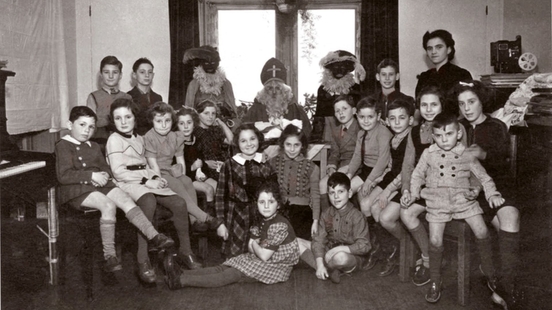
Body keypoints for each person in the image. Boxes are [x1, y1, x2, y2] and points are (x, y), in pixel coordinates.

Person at [55, 106, 174, 273]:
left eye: (90, 127)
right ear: (70, 124)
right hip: (77, 189)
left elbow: (106, 169)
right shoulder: (63, 145)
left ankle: (154, 236)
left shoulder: (94, 146)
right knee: (108, 205)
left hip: (100, 184)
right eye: (81, 125)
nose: (86, 130)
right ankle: (110, 255)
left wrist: (104, 174)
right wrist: (91, 176)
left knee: (125, 199)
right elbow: (63, 175)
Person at [406, 111, 504, 304]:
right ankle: (435, 280)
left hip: (463, 200)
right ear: (433, 137)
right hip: (437, 202)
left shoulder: (467, 154)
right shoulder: (428, 154)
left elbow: (483, 177)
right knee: (435, 240)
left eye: (449, 134)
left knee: (482, 231)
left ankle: (489, 270)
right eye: (439, 136)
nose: (444, 140)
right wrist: (414, 191)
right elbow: (416, 175)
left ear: (458, 134)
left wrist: (492, 193)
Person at [106, 98, 202, 284]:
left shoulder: (139, 139)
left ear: (135, 118)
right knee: (148, 200)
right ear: (113, 121)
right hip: (127, 183)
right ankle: (142, 260)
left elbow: (146, 165)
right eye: (118, 118)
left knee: (179, 202)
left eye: (128, 116)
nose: (124, 122)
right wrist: (146, 181)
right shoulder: (114, 140)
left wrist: (155, 178)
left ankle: (185, 250)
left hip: (146, 180)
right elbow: (119, 172)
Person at [453, 80, 525, 310]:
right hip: (468, 190)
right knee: (496, 224)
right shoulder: (457, 128)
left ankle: (505, 287)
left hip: (497, 185)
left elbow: (502, 161)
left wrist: (482, 153)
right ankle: (500, 281)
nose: (467, 108)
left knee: (511, 217)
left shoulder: (496, 126)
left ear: (481, 101)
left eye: (471, 102)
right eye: (462, 103)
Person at [164, 181, 300, 290]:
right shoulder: (261, 219)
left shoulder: (280, 224)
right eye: (261, 202)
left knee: (229, 275)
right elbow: (253, 250)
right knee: (223, 266)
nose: (266, 206)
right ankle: (180, 273)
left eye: (271, 202)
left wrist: (254, 243)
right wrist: (255, 245)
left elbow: (263, 255)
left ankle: (180, 280)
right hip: (260, 257)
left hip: (275, 267)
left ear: (278, 205)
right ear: (256, 203)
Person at [143, 102, 223, 231]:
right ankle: (205, 217)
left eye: (167, 121)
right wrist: (158, 179)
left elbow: (181, 163)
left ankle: (194, 221)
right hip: (156, 174)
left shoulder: (177, 137)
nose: (163, 125)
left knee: (185, 181)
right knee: (180, 184)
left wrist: (183, 176)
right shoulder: (150, 137)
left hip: (171, 172)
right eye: (159, 121)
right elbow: (153, 165)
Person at [360, 99, 414, 277]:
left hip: (405, 182)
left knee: (381, 213)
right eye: (393, 118)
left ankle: (402, 246)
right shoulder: (394, 138)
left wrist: (387, 190)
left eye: (402, 118)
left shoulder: (410, 139)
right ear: (388, 120)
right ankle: (384, 247)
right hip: (392, 179)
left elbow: (407, 171)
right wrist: (378, 181)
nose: (397, 122)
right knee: (368, 204)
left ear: (411, 120)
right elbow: (391, 167)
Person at [215, 123, 277, 258]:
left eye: (252, 139)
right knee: (235, 258)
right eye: (243, 141)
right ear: (237, 143)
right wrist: (220, 223)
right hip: (237, 218)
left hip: (261, 218)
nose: (248, 144)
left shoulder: (266, 165)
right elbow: (220, 197)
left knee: (258, 257)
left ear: (259, 140)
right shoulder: (229, 165)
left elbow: (274, 196)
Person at [297, 172, 371, 284]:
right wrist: (320, 262)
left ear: (350, 193)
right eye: (332, 193)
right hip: (328, 251)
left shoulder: (357, 216)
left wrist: (338, 249)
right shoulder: (326, 213)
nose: (336, 197)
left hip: (349, 256)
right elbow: (318, 240)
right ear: (328, 194)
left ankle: (325, 268)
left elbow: (364, 245)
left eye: (340, 192)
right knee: (296, 242)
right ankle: (324, 269)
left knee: (340, 258)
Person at [269, 124, 320, 240]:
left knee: (299, 242)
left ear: (302, 146)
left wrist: (315, 221)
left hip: (302, 213)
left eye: (296, 145)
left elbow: (315, 195)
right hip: (278, 210)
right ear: (282, 144)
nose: (292, 149)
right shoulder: (272, 163)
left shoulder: (312, 167)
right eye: (288, 145)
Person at [242, 57, 312, 141]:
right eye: (270, 88)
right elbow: (244, 131)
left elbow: (306, 133)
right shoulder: (255, 110)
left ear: (284, 91)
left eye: (278, 88)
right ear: (264, 91)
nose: (274, 92)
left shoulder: (295, 109)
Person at [310, 50, 365, 143]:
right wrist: (316, 138)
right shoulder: (323, 89)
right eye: (336, 66)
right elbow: (319, 115)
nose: (339, 70)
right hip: (328, 133)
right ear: (330, 69)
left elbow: (360, 114)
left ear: (347, 69)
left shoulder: (355, 88)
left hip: (351, 134)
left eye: (343, 67)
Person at [346, 97, 392, 205]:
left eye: (370, 117)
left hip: (382, 172)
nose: (366, 121)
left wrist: (369, 181)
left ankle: (369, 219)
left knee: (364, 199)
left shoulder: (383, 132)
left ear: (378, 116)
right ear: (357, 116)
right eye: (362, 117)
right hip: (366, 170)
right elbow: (357, 157)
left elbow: (383, 161)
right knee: (345, 190)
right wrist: (349, 175)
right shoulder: (361, 134)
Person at [319, 94, 360, 213]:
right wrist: (331, 166)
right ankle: (328, 218)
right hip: (341, 167)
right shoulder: (336, 130)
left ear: (353, 110)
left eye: (344, 109)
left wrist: (345, 169)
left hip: (355, 167)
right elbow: (335, 152)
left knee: (338, 188)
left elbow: (361, 155)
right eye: (337, 111)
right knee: (323, 184)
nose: (341, 113)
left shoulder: (359, 127)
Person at [183, 45, 238, 128]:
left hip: (222, 125)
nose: (210, 66)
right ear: (201, 64)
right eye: (206, 63)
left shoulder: (226, 84)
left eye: (213, 63)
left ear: (217, 64)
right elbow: (188, 110)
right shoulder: (194, 84)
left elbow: (232, 111)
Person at [175, 107, 217, 215]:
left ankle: (213, 214)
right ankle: (205, 217)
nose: (185, 126)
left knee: (217, 185)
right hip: (186, 177)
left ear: (194, 124)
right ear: (177, 125)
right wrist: (192, 167)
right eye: (181, 123)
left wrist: (203, 165)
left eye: (189, 122)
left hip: (198, 175)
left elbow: (201, 159)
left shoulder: (196, 140)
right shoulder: (175, 142)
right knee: (208, 189)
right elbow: (174, 167)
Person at [86, 55, 132, 142]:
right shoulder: (93, 97)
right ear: (101, 74)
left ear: (120, 75)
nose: (111, 76)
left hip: (123, 142)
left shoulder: (127, 97)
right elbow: (90, 124)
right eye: (106, 72)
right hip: (100, 142)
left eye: (115, 72)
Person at [415, 29, 472, 98]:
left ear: (449, 50)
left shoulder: (461, 74)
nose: (433, 52)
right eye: (430, 48)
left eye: (439, 47)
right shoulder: (424, 77)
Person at [193, 99, 234, 182]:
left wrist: (222, 124)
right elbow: (191, 155)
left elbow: (231, 141)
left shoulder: (215, 130)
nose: (210, 117)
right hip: (206, 170)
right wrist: (205, 163)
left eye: (213, 113)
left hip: (221, 167)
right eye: (206, 113)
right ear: (198, 114)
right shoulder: (195, 132)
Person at [372, 58, 418, 124]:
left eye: (391, 74)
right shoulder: (371, 100)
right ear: (377, 77)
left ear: (397, 76)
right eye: (383, 74)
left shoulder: (407, 100)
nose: (387, 78)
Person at [127, 57, 163, 136]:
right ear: (134, 75)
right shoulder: (127, 97)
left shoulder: (158, 98)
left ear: (153, 75)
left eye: (150, 72)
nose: (147, 75)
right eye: (142, 72)